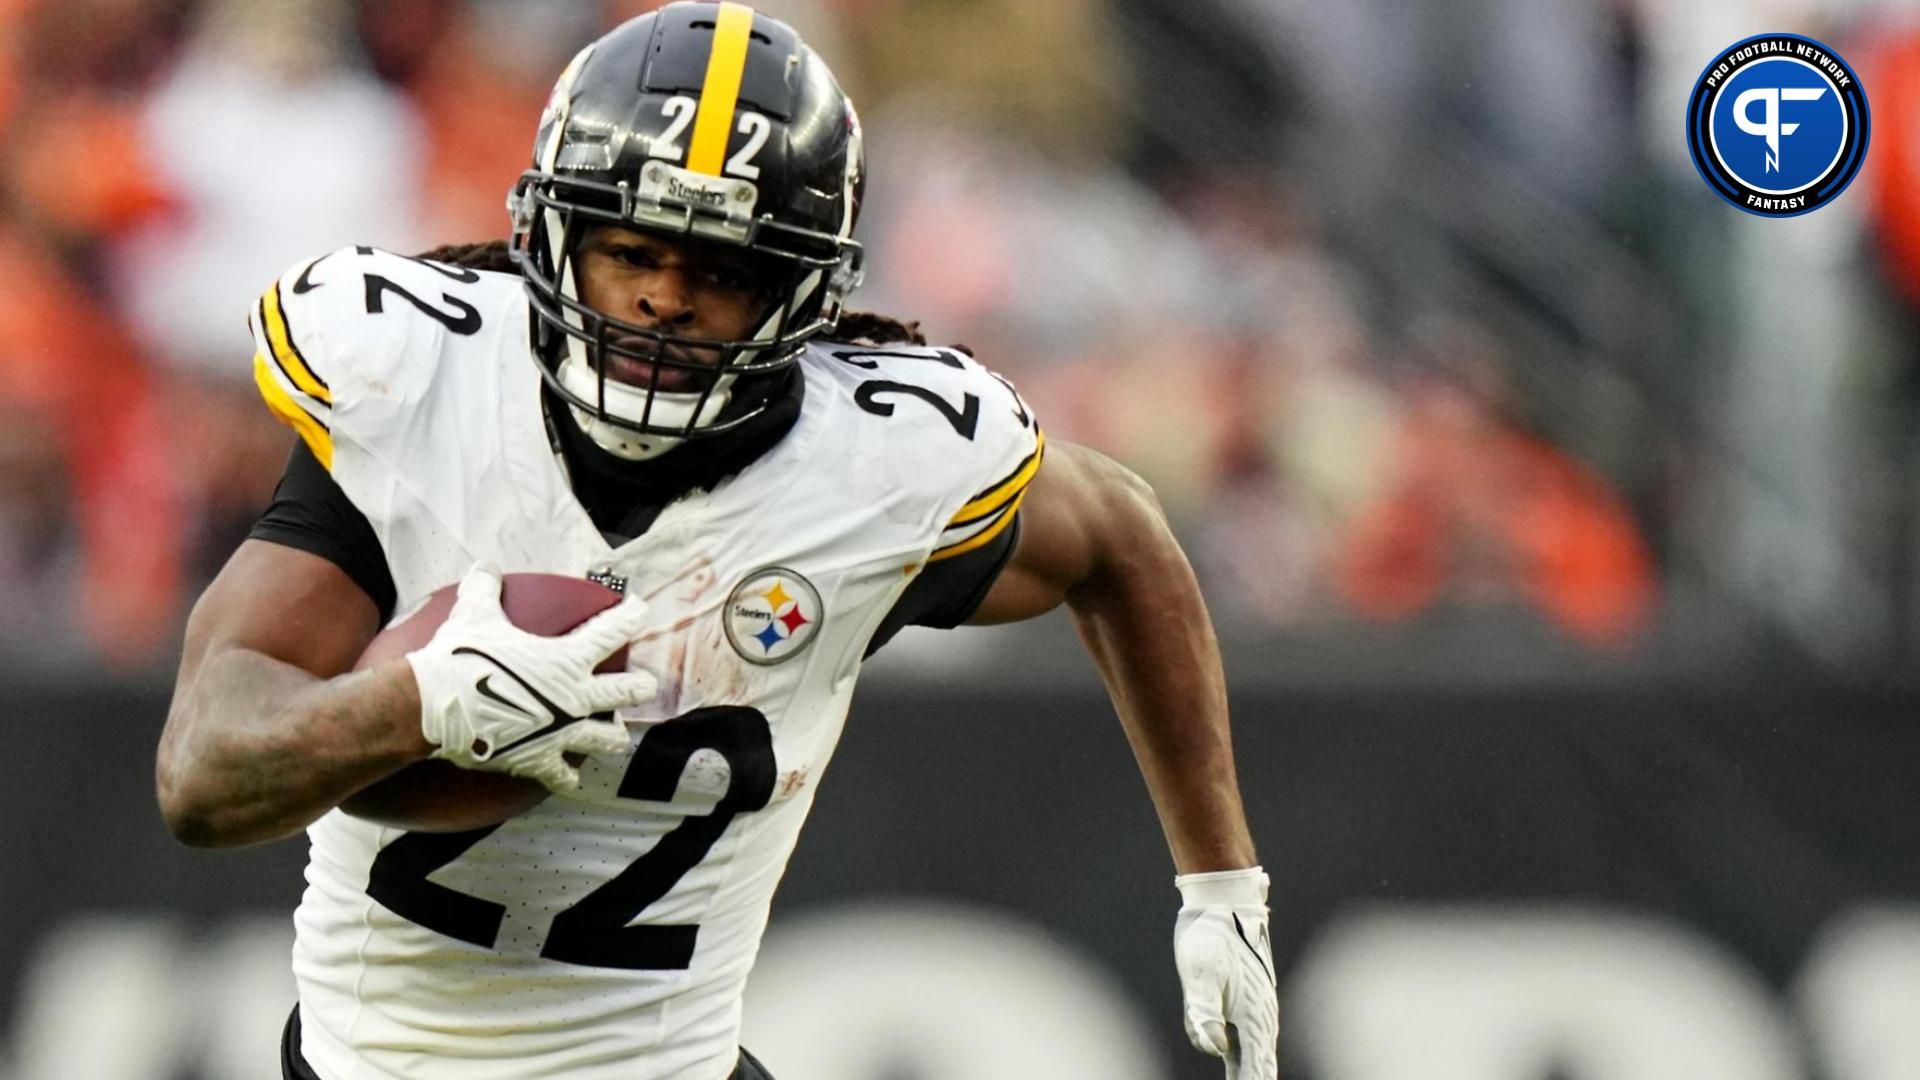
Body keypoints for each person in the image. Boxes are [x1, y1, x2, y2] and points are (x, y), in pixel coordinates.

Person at [154, 4, 1277, 1078]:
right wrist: (420, 704)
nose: (663, 300)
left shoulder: (874, 471)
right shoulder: (419, 392)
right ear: (555, 233)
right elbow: (202, 777)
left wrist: (1222, 883)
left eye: (722, 273)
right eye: (632, 252)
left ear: (801, 295)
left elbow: (1121, 539)